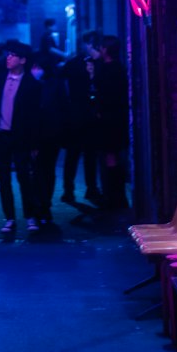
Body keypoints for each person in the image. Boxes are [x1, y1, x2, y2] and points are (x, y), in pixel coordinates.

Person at [0, 41, 42, 234]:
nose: (8, 58)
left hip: (20, 137)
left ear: (22, 60)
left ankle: (30, 216)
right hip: (1, 135)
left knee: (24, 178)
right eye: (8, 55)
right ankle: (9, 218)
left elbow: (35, 116)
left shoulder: (31, 84)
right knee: (3, 179)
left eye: (13, 55)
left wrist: (34, 142)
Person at [60, 31, 101, 205]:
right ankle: (72, 190)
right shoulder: (75, 64)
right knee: (76, 154)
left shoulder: (97, 64)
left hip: (86, 115)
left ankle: (86, 189)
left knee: (85, 154)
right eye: (90, 44)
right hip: (79, 114)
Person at [30, 46, 69, 226]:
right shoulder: (55, 84)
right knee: (45, 170)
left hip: (45, 134)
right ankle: (43, 205)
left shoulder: (40, 86)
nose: (34, 69)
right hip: (51, 134)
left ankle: (42, 205)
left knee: (41, 170)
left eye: (37, 66)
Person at [90, 35, 130, 211]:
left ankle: (114, 198)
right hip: (116, 118)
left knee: (110, 157)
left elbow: (102, 92)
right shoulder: (118, 68)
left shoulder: (107, 69)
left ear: (105, 50)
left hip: (108, 119)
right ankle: (116, 196)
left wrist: (93, 75)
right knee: (113, 156)